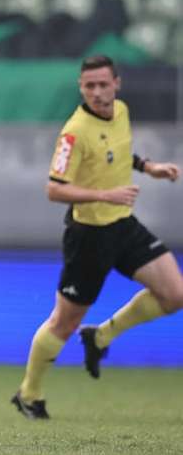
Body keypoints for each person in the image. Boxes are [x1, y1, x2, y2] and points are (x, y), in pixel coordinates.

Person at [11, 55, 183, 419]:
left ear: (116, 83)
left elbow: (117, 152)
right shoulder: (74, 132)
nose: (97, 92)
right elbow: (54, 189)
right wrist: (105, 195)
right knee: (64, 321)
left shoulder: (121, 110)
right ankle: (29, 393)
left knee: (175, 295)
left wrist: (149, 167)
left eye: (103, 84)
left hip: (123, 224)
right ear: (81, 88)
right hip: (89, 235)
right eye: (89, 85)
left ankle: (101, 336)